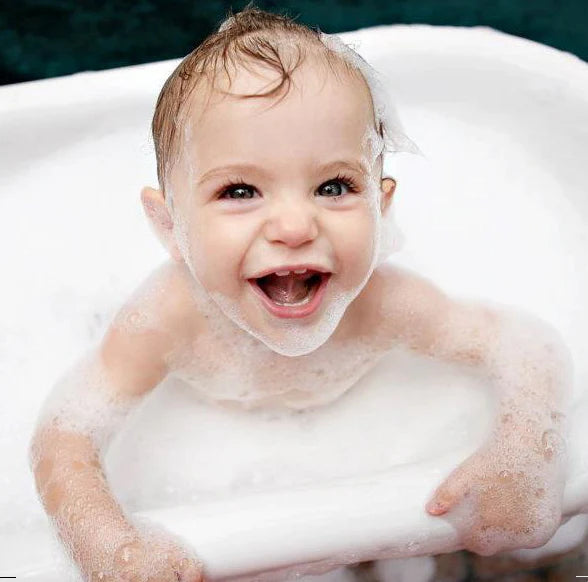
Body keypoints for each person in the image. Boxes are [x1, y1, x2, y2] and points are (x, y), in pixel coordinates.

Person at [29, 4, 574, 581]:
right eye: (240, 190)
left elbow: (520, 348)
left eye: (334, 186)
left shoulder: (387, 304)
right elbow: (65, 435)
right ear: (170, 228)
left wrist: (525, 454)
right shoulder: (167, 318)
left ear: (381, 207)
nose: (294, 225)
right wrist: (111, 544)